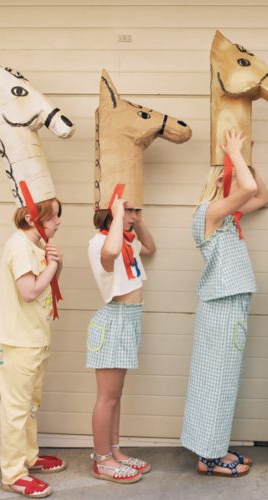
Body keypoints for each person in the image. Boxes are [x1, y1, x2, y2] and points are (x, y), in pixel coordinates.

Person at [181, 128, 268, 477]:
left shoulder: (228, 218)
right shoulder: (208, 214)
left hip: (231, 308)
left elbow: (261, 195)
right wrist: (233, 153)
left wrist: (246, 160)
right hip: (220, 308)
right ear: (221, 181)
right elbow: (247, 190)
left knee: (222, 382)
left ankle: (213, 446)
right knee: (214, 382)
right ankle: (208, 456)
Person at [0, 197, 66, 498]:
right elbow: (29, 291)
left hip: (35, 338)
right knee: (16, 409)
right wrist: (52, 265)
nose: (58, 223)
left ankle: (29, 456)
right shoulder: (19, 246)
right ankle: (12, 474)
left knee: (30, 405)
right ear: (31, 220)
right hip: (19, 341)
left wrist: (55, 265)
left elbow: (46, 284)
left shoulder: (34, 246)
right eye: (53, 217)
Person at [86, 196, 156, 484]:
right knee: (106, 398)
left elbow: (150, 247)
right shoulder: (100, 243)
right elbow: (111, 251)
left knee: (116, 397)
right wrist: (118, 214)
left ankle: (114, 450)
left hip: (129, 320)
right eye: (129, 210)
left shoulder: (126, 240)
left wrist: (136, 220)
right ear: (111, 211)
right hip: (113, 320)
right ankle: (102, 459)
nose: (133, 216)